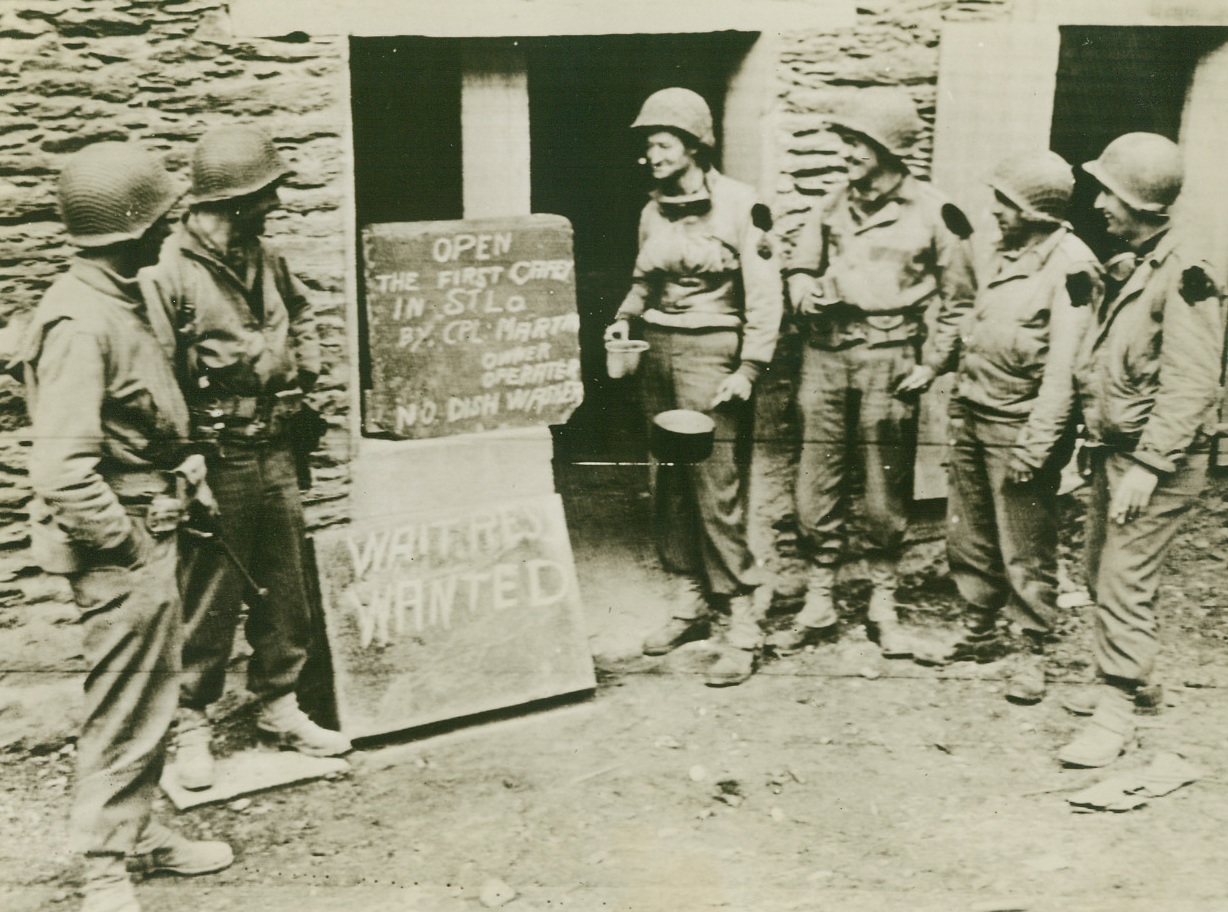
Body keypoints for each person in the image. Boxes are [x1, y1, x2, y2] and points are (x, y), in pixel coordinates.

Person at [24, 142, 233, 912]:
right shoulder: (81, 320)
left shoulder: (121, 294)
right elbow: (63, 472)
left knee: (150, 695)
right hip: (120, 543)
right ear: (130, 227)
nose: (169, 226)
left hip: (149, 523)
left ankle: (139, 835)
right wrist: (129, 543)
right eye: (159, 216)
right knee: (126, 704)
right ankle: (105, 869)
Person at [141, 124, 350, 791]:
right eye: (266, 195)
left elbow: (300, 309)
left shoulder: (266, 255)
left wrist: (307, 364)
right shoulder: (169, 272)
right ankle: (191, 723)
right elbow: (157, 375)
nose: (276, 205)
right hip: (216, 453)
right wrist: (184, 462)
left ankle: (278, 706)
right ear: (234, 200)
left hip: (276, 445)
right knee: (208, 594)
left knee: (284, 585)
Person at [774, 88, 976, 658]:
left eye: (856, 142)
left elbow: (962, 302)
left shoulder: (938, 212)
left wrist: (934, 363)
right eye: (845, 140)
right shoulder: (831, 204)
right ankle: (819, 598)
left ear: (888, 148)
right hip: (825, 357)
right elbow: (799, 264)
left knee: (885, 487)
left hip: (892, 360)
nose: (846, 152)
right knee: (816, 480)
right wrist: (802, 293)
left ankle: (882, 601)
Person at [604, 87, 783, 687]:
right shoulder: (651, 209)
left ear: (692, 144)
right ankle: (690, 601)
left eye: (661, 142)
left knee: (715, 486)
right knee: (670, 481)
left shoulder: (743, 205)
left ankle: (740, 622)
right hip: (656, 353)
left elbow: (764, 293)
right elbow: (641, 281)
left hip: (714, 357)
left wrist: (749, 368)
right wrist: (625, 317)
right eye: (647, 145)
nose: (650, 154)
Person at [910, 152, 1101, 705]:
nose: (995, 212)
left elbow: (1065, 369)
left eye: (1008, 204)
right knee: (969, 529)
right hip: (972, 409)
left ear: (1039, 212)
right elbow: (968, 315)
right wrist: (936, 363)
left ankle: (1030, 647)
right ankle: (978, 628)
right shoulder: (996, 252)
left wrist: (1037, 445)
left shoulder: (1073, 268)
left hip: (1019, 425)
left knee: (1025, 542)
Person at [1059, 132, 1224, 767]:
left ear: (1139, 201)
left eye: (1108, 192)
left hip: (1158, 462)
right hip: (1118, 452)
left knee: (1124, 578)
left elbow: (1192, 381)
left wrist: (1151, 466)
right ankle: (1139, 681)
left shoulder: (1188, 273)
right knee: (1098, 565)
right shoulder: (1141, 262)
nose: (1098, 203)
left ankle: (1117, 709)